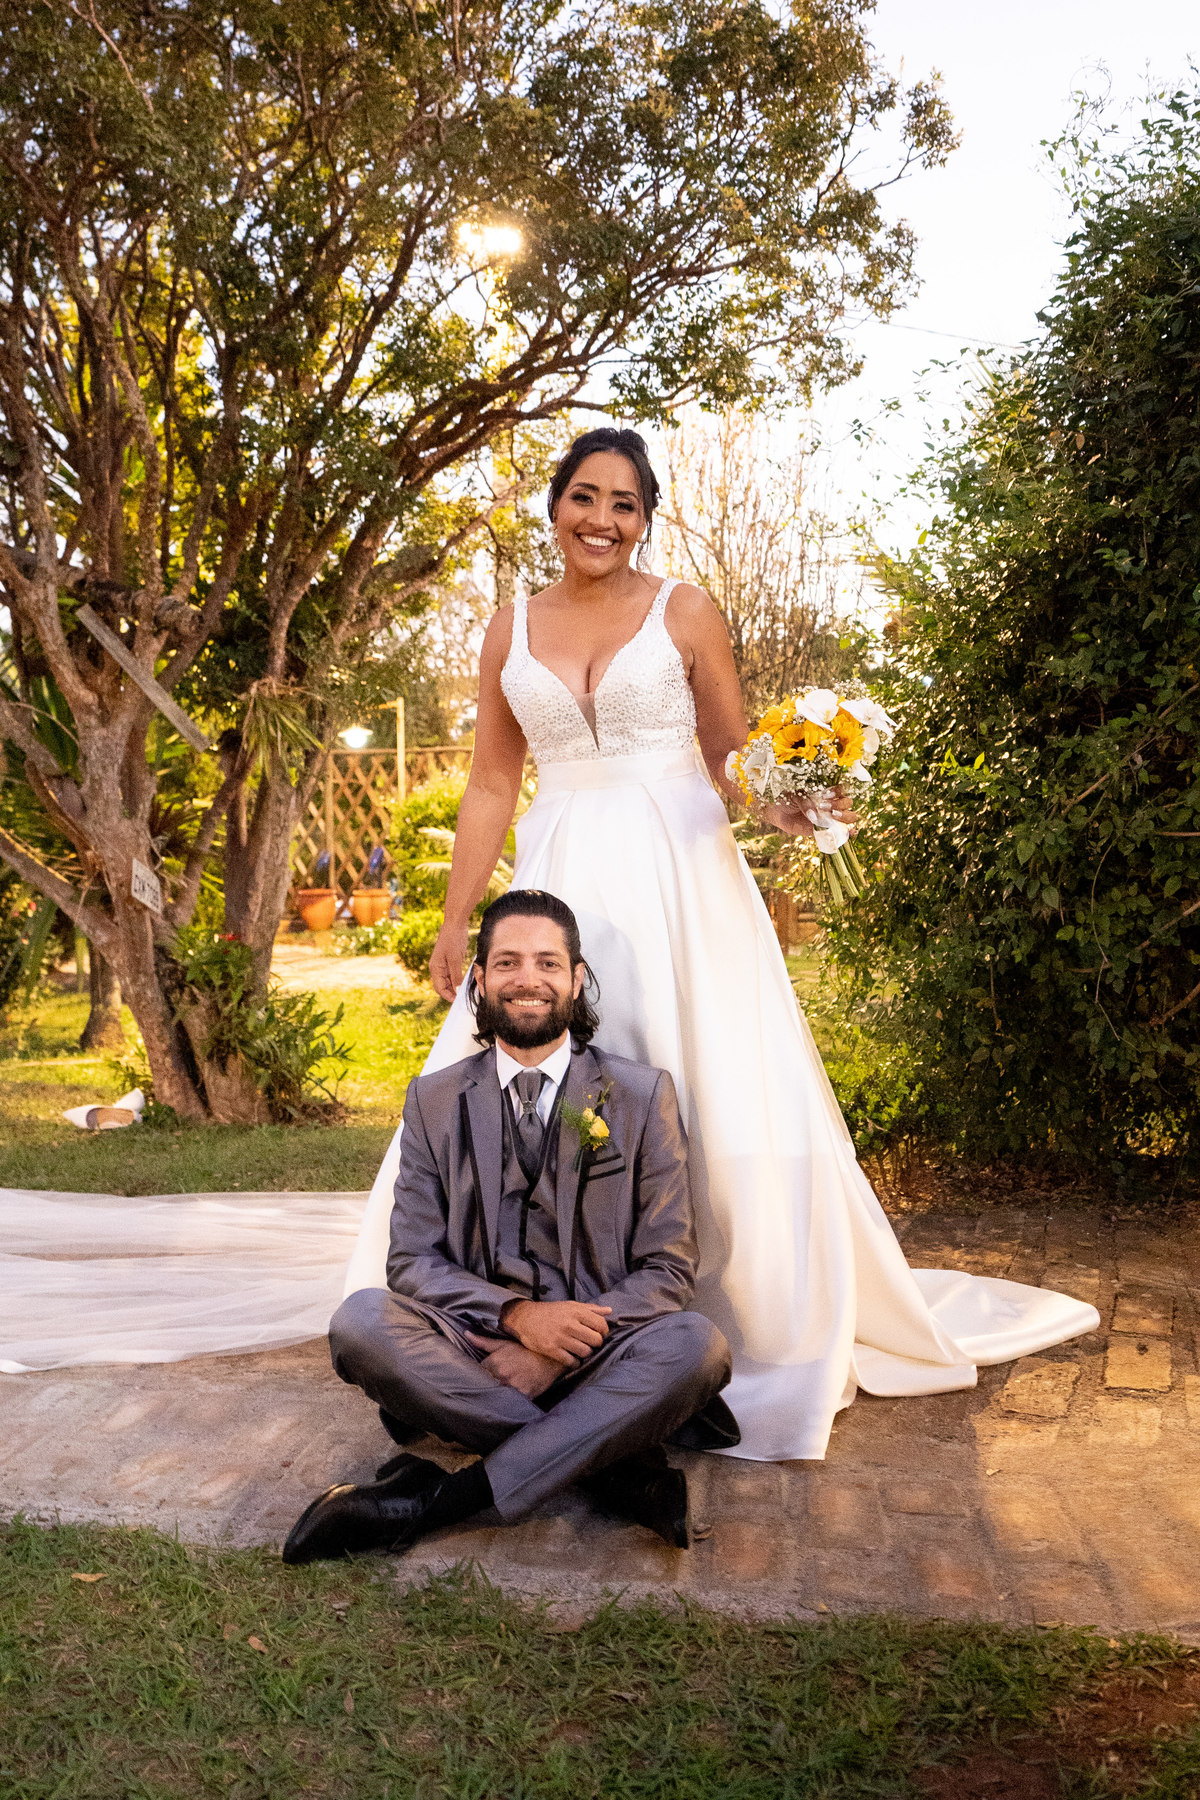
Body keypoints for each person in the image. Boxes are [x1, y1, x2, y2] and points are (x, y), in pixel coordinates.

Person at [343, 426, 1099, 1462]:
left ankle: (710, 1317)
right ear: (554, 505)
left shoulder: (684, 609)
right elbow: (488, 781)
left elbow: (728, 751)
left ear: (645, 518)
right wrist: (453, 917)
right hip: (559, 865)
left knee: (703, 1077)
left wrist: (790, 803)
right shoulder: (506, 628)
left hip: (684, 869)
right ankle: (534, 1299)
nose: (603, 520)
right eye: (586, 497)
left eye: (626, 504)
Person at [284, 891, 734, 1564]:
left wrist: (557, 1348)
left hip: (599, 1351)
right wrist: (519, 1317)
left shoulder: (641, 1097)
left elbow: (668, 1268)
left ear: (576, 979)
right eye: (509, 962)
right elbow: (410, 1261)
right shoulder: (434, 1102)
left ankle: (435, 1500)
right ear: (480, 980)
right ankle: (610, 1467)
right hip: (475, 1348)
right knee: (362, 1324)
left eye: (548, 963)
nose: (529, 979)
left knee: (697, 1347)